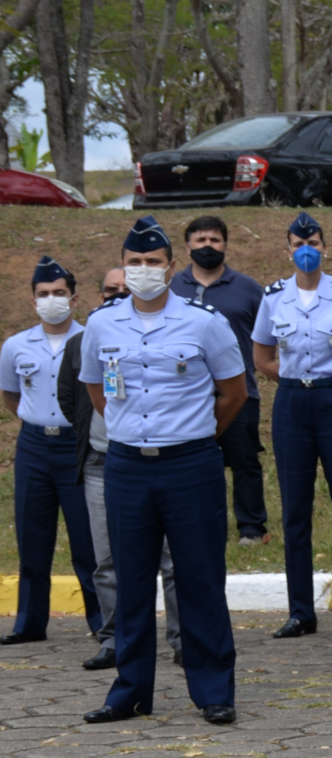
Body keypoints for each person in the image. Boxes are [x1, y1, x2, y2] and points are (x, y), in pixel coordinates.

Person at [78, 219, 247, 726]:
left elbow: (234, 393)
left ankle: (214, 689)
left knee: (199, 579)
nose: (143, 270)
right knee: (131, 581)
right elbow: (95, 390)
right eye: (134, 262)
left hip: (191, 465)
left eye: (153, 262)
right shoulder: (103, 323)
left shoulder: (204, 321)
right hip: (127, 465)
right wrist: (131, 431)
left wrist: (193, 436)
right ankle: (130, 690)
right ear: (123, 266)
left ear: (171, 268)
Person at [251, 229, 332, 638]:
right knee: (295, 511)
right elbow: (262, 355)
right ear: (287, 250)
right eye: (299, 244)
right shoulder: (273, 297)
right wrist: (289, 379)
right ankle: (301, 611)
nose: (307, 251)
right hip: (292, 405)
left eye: (314, 243)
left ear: (325, 248)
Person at [62, 268, 179, 672]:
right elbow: (70, 395)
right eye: (109, 289)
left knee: (171, 559)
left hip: (157, 461)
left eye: (122, 290)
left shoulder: (163, 337)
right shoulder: (84, 340)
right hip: (101, 463)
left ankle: (182, 640)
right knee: (107, 561)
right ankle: (113, 640)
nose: (116, 295)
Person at [3, 257, 100, 645]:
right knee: (33, 537)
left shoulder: (89, 340)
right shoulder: (15, 345)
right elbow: (10, 394)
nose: (51, 300)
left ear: (74, 299)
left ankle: (102, 622)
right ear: (33, 301)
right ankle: (29, 623)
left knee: (87, 541)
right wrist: (37, 419)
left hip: (76, 445)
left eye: (59, 293)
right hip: (33, 447)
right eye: (43, 294)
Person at [172, 216, 268, 545]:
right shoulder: (172, 288)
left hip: (240, 392)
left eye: (214, 240)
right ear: (187, 246)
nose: (207, 246)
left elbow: (268, 334)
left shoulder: (248, 288)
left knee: (244, 462)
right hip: (186, 396)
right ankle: (194, 525)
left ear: (225, 244)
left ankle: (252, 528)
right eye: (200, 241)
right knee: (191, 464)